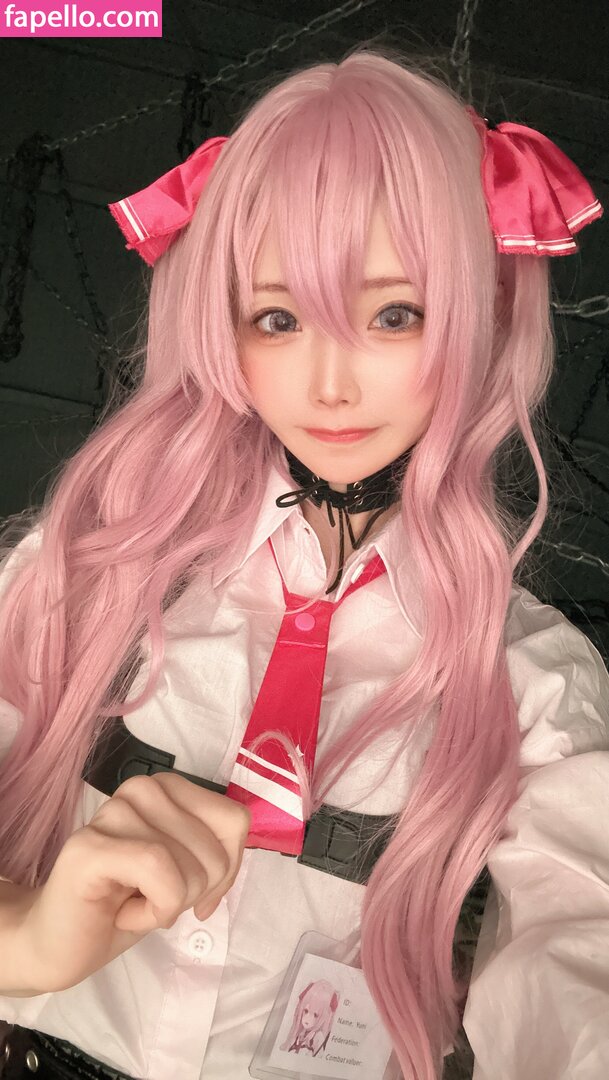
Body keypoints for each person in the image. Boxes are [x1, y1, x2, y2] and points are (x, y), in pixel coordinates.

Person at [0, 45, 608, 1080]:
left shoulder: (532, 681)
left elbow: (580, 948)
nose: (330, 383)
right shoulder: (89, 573)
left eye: (394, 314)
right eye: (277, 318)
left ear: (487, 317)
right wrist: (20, 940)